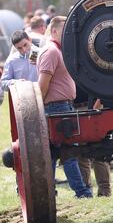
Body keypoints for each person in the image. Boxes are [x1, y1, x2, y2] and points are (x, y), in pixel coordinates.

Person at [37, 16, 92, 198]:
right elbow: (43, 84)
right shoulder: (51, 51)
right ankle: (82, 192)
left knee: (53, 154)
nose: (68, 35)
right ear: (53, 31)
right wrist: (41, 107)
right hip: (56, 108)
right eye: (64, 31)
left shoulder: (58, 51)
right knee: (68, 152)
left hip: (62, 106)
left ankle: (49, 191)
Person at [74, 86, 112, 197]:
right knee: (81, 154)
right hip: (75, 109)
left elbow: (102, 87)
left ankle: (104, 190)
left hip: (92, 108)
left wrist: (95, 108)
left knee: (99, 153)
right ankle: (86, 190)